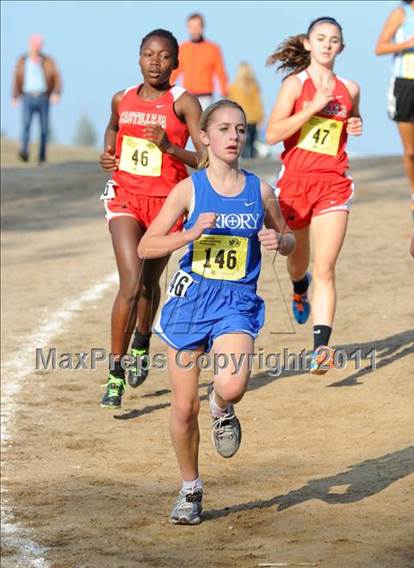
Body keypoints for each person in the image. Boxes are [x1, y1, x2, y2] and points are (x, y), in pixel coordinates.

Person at [138, 99, 296, 524]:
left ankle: (222, 408)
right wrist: (189, 232)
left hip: (235, 302)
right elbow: (146, 246)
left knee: (233, 383)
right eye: (224, 129)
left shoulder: (258, 190)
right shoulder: (189, 189)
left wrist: (279, 243)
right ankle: (190, 489)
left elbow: (289, 237)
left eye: (241, 129)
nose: (234, 137)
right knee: (182, 409)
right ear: (205, 137)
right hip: (190, 302)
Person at [99, 29, 202, 409]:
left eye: (163, 56)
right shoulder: (121, 98)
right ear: (138, 58)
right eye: (147, 54)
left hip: (166, 205)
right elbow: (113, 127)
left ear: (176, 62)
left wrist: (170, 147)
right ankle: (115, 373)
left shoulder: (184, 104)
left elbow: (205, 160)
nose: (154, 62)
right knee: (129, 283)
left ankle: (142, 339)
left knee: (147, 283)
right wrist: (107, 152)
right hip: (125, 196)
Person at [266, 17, 363, 374]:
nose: (326, 45)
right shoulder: (295, 85)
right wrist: (311, 107)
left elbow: (354, 119)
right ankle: (297, 285)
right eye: (320, 39)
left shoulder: (350, 88)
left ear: (341, 47)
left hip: (333, 183)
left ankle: (321, 348)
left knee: (326, 267)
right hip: (294, 187)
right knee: (299, 262)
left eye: (333, 40)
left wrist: (356, 123)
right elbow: (273, 133)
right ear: (307, 44)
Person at [375, 0, 414, 223]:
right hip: (404, 84)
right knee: (411, 151)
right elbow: (380, 47)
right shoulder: (402, 13)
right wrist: (409, 42)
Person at [11, 34, 61, 164]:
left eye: (39, 44)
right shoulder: (22, 60)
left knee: (44, 128)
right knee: (26, 125)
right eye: (35, 44)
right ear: (30, 44)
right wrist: (15, 96)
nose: (37, 47)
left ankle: (42, 155)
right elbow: (16, 78)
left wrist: (56, 93)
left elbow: (56, 77)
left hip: (43, 96)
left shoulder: (48, 60)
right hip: (27, 96)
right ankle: (24, 151)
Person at [171, 13, 228, 110]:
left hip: (205, 97)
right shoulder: (183, 48)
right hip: (187, 96)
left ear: (202, 27)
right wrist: (165, 89)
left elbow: (220, 72)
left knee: (203, 124)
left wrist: (224, 93)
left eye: (197, 26)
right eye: (191, 27)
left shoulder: (213, 48)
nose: (194, 30)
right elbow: (174, 71)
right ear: (188, 28)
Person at [228, 62, 264, 158]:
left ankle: (243, 159)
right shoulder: (254, 86)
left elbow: (232, 102)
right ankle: (251, 158)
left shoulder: (234, 87)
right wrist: (260, 117)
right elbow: (258, 103)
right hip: (253, 117)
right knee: (251, 141)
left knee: (242, 140)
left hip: (240, 117)